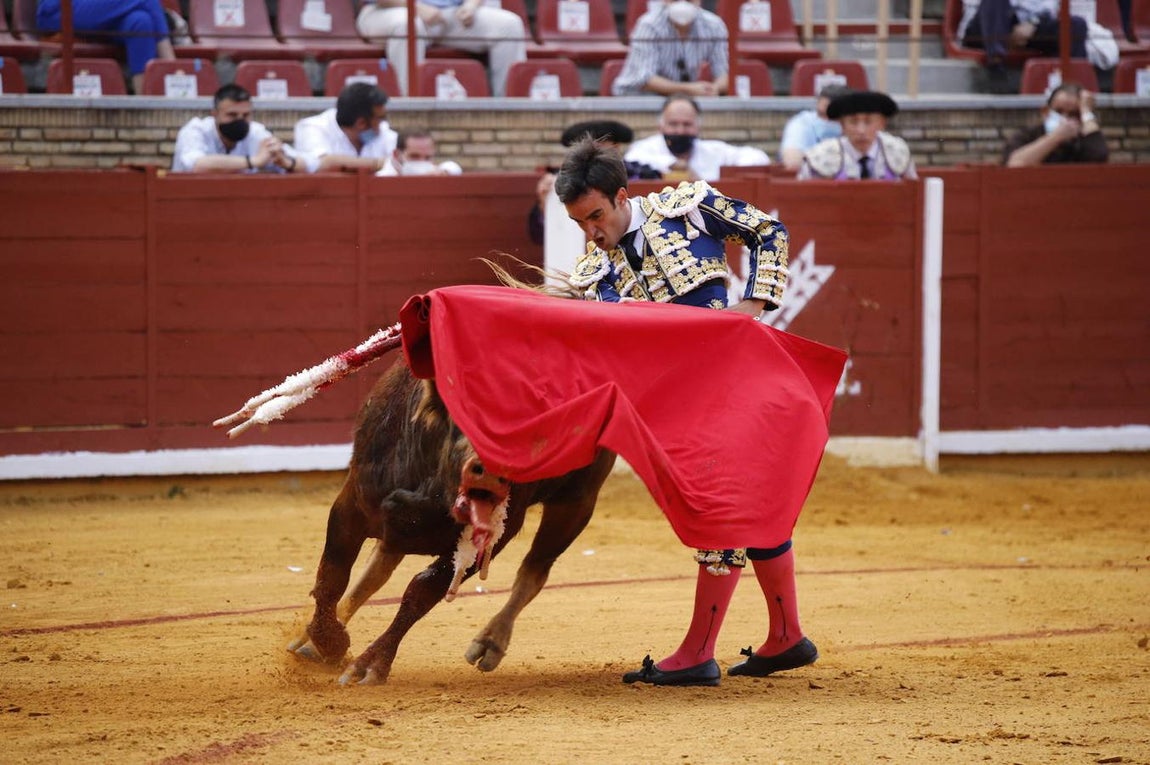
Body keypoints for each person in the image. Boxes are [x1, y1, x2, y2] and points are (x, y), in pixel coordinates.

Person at [555, 137, 812, 687]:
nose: (591, 232)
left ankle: (698, 652)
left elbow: (768, 230)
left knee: (719, 508)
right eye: (580, 223)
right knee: (752, 506)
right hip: (675, 409)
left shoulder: (687, 208)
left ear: (623, 197)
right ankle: (787, 636)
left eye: (596, 216)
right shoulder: (592, 275)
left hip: (732, 383)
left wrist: (755, 303)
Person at [356, 0, 527, 97]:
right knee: (408, 25)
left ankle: (511, 108)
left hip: (450, 14)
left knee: (509, 26)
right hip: (389, 11)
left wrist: (470, 6)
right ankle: (408, 109)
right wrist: (415, 7)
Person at [36, 0, 175, 95]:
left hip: (98, 10)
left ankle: (146, 104)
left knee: (140, 22)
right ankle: (172, 71)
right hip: (58, 9)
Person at [624, 95, 770, 183]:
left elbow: (758, 157)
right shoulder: (644, 148)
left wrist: (732, 175)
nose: (680, 131)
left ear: (698, 127)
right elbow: (630, 162)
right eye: (673, 124)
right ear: (661, 126)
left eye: (687, 124)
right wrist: (675, 165)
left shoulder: (713, 150)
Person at [956, 0, 1088, 93]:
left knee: (1077, 25)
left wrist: (1033, 24)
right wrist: (1005, 32)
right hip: (986, 28)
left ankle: (1069, 85)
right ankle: (996, 70)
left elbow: (1048, 11)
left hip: (1029, 27)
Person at [171, 84, 304, 174]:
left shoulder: (256, 132)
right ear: (215, 114)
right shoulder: (195, 130)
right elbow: (197, 165)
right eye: (232, 115)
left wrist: (286, 162)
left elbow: (307, 164)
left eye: (245, 115)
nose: (240, 120)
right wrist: (254, 161)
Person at [611, 0, 730, 96]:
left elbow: (724, 73)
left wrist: (715, 88)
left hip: (687, 97)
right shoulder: (648, 25)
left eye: (689, 0)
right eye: (675, 0)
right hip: (640, 95)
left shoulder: (714, 25)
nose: (682, 5)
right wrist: (687, 89)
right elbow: (645, 80)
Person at [798, 90, 918, 181]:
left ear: (882, 124)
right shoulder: (820, 156)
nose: (861, 130)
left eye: (868, 122)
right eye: (853, 122)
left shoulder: (898, 151)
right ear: (842, 125)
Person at [293, 82, 398, 174]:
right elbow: (322, 163)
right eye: (380, 118)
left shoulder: (382, 130)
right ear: (361, 123)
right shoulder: (312, 128)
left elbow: (398, 160)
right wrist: (379, 163)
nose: (383, 122)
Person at [1003, 82, 1109, 166]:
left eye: (1073, 114)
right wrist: (1056, 137)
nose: (1065, 119)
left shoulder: (1085, 139)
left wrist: (1086, 112)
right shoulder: (1028, 135)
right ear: (1045, 112)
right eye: (1059, 111)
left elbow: (1099, 156)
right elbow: (1015, 164)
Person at [778, 84, 853, 172]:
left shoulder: (859, 128)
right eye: (821, 114)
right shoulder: (802, 122)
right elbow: (792, 162)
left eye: (832, 116)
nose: (825, 120)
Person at [379, 128, 463, 176]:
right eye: (414, 156)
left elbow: (453, 167)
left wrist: (445, 171)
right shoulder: (382, 179)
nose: (422, 162)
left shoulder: (435, 174)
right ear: (396, 155)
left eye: (427, 158)